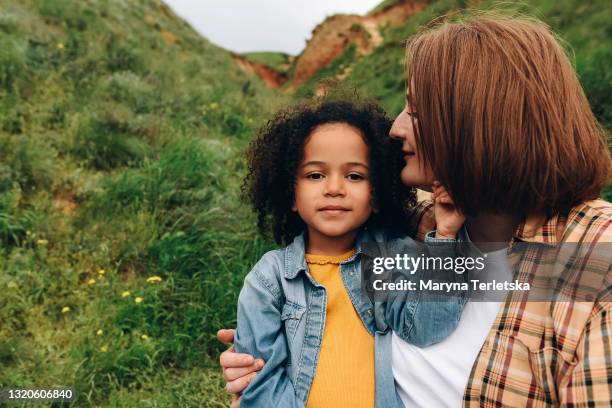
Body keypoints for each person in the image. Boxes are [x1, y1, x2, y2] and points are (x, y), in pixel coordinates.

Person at [219, 15, 611, 407]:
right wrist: (264, 355)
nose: (395, 128)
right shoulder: (411, 225)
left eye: (417, 112)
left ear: (481, 122)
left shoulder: (596, 259)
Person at [233, 95, 467, 407]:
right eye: (315, 175)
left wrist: (447, 236)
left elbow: (426, 327)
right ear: (291, 195)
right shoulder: (268, 280)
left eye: (354, 176)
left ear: (376, 195)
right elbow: (260, 381)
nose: (334, 188)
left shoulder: (393, 256)